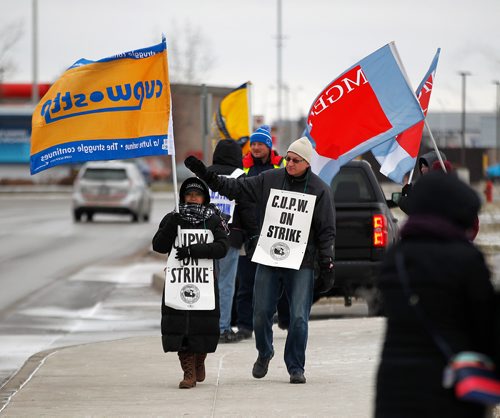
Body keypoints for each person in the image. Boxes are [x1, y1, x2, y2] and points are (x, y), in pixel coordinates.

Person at [185, 136, 336, 384]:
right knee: (260, 313)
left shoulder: (320, 190)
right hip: (270, 257)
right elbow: (235, 189)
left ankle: (296, 366)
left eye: (296, 160)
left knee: (299, 317)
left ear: (307, 163)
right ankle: (265, 352)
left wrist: (327, 261)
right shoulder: (270, 179)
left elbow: (326, 230)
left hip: (301, 262)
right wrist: (206, 176)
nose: (289, 163)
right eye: (288, 158)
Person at [375, 171, 498, 417]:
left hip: (394, 388)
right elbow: (487, 326)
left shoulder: (395, 258)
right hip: (450, 387)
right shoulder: (466, 259)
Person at [152, 177, 229, 389]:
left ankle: (199, 359)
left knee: (202, 325)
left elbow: (223, 247)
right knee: (180, 326)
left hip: (203, 281)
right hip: (178, 281)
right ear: (183, 196)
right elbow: (158, 245)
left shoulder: (212, 219)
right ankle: (188, 371)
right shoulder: (173, 217)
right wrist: (172, 224)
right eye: (189, 194)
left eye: (197, 194)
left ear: (204, 198)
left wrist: (196, 250)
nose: (193, 198)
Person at [236, 125, 287, 339]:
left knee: (283, 282)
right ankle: (245, 327)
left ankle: (286, 320)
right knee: (246, 283)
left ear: (268, 146)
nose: (255, 148)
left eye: (260, 144)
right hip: (250, 233)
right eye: (253, 144)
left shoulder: (283, 164)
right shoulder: (243, 167)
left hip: (277, 232)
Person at [206, 139, 259, 343]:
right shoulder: (240, 176)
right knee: (227, 284)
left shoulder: (204, 175)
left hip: (204, 237)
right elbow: (247, 210)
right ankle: (223, 328)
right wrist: (252, 235)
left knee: (207, 282)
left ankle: (207, 326)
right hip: (231, 237)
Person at [398, 150, 447, 214]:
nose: (422, 169)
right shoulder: (422, 187)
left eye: (425, 166)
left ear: (433, 165)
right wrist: (406, 196)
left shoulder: (444, 187)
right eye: (421, 166)